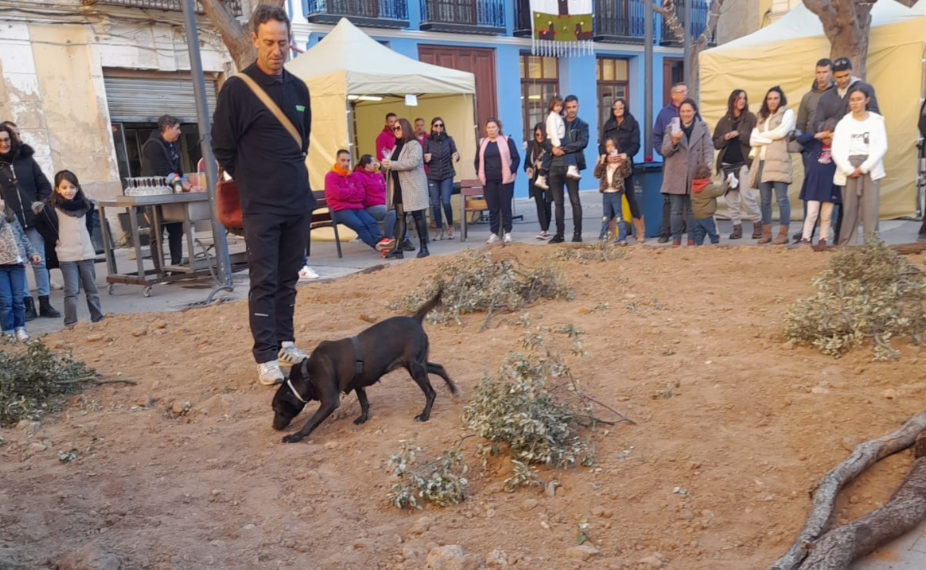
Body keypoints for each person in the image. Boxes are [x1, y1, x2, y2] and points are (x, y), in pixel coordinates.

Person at [211, 5, 315, 386]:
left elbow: (302, 140)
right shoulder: (237, 89)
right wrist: (253, 180)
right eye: (269, 42)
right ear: (254, 40)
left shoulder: (299, 89)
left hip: (297, 201)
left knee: (289, 277)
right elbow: (222, 146)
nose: (277, 50)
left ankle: (286, 343)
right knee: (264, 280)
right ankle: (266, 356)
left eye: (282, 43)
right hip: (261, 207)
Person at [0, 123, 60, 321]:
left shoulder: (27, 159)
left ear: (12, 139)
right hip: (10, 224)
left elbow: (44, 185)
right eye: (0, 141)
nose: (4, 144)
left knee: (39, 261)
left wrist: (41, 202)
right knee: (19, 264)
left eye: (6, 139)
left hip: (34, 220)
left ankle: (45, 302)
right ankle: (28, 305)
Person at [31, 170, 104, 328]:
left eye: (72, 187)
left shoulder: (86, 206)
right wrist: (53, 239)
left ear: (77, 188)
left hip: (86, 254)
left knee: (92, 290)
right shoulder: (51, 208)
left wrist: (87, 239)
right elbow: (38, 224)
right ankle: (71, 323)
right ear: (57, 189)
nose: (68, 191)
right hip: (66, 255)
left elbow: (89, 225)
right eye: (64, 187)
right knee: (71, 291)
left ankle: (98, 319)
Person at [832, 86, 887, 246]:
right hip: (849, 167)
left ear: (866, 100)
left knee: (870, 210)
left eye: (859, 99)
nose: (855, 103)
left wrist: (864, 167)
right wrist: (848, 169)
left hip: (870, 167)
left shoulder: (876, 121)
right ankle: (847, 246)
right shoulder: (844, 123)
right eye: (852, 100)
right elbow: (836, 149)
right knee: (849, 210)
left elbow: (881, 146)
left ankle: (872, 246)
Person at [140, 114, 196, 269]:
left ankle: (176, 267)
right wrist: (183, 184)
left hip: (172, 194)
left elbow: (177, 170)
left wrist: (186, 183)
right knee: (157, 234)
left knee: (176, 231)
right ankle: (160, 270)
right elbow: (162, 171)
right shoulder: (152, 146)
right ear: (167, 128)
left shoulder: (172, 146)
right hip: (155, 195)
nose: (180, 132)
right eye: (177, 128)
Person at [660, 98, 713, 247]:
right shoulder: (672, 128)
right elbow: (665, 151)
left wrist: (708, 162)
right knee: (676, 210)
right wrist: (675, 142)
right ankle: (676, 239)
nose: (686, 114)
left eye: (689, 111)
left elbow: (708, 148)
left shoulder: (702, 127)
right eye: (683, 111)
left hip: (695, 173)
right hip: (675, 174)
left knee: (692, 209)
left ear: (694, 111)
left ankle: (691, 239)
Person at [793, 58, 834, 243]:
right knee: (811, 191)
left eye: (825, 72)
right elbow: (800, 126)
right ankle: (806, 232)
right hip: (812, 149)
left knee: (831, 192)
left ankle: (830, 232)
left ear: (831, 73)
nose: (821, 76)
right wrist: (805, 147)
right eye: (818, 72)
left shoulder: (837, 96)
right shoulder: (808, 98)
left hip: (832, 150)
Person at [712, 89, 761, 240]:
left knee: (746, 195)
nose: (742, 101)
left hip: (743, 163)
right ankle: (736, 227)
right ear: (732, 100)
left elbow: (755, 138)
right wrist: (725, 138)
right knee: (731, 198)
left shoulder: (750, 118)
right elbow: (715, 143)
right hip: (726, 165)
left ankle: (757, 223)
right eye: (739, 98)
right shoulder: (724, 120)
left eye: (744, 98)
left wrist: (740, 135)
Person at [749, 86, 796, 245]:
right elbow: (752, 140)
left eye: (775, 98)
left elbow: (782, 133)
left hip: (779, 161)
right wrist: (770, 137)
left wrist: (762, 137)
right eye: (769, 98)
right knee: (765, 200)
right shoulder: (761, 116)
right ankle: (767, 233)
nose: (772, 101)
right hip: (762, 162)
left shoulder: (787, 113)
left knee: (782, 199)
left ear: (780, 99)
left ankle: (783, 233)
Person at [380, 118, 430, 259]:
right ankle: (398, 249)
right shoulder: (396, 146)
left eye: (398, 128)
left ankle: (424, 247)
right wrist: (382, 165)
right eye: (394, 128)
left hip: (413, 187)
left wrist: (392, 164)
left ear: (406, 129)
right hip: (399, 186)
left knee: (418, 216)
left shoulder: (414, 145)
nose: (395, 131)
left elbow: (412, 162)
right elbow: (393, 163)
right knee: (400, 217)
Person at [599, 98, 645, 243]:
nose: (618, 109)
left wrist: (626, 154)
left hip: (625, 165)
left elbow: (636, 145)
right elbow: (602, 145)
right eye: (615, 107)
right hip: (611, 168)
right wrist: (606, 157)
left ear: (625, 108)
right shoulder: (608, 125)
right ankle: (612, 232)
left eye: (621, 107)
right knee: (612, 198)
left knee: (631, 197)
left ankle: (640, 230)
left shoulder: (633, 123)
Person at [0, 194, 41, 342]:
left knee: (18, 299)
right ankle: (8, 331)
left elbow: (22, 236)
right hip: (1, 266)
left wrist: (32, 252)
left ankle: (20, 328)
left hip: (16, 264)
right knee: (6, 300)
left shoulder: (11, 215)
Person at [548, 95, 589, 243]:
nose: (571, 110)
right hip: (555, 166)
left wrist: (563, 149)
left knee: (574, 201)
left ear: (578, 107)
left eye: (574, 107)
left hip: (572, 166)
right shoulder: (557, 121)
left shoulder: (583, 125)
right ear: (564, 108)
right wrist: (552, 149)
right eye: (569, 107)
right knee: (558, 203)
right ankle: (559, 234)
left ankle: (577, 234)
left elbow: (582, 142)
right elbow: (547, 139)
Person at [325, 150, 384, 251]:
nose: (346, 163)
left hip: (357, 207)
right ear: (336, 160)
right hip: (340, 210)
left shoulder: (354, 175)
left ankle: (382, 243)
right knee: (360, 226)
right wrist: (353, 191)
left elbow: (361, 194)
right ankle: (378, 246)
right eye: (343, 160)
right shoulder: (330, 176)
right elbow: (337, 194)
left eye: (348, 160)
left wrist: (347, 194)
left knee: (372, 222)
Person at [474, 118, 520, 245]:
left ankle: (508, 232)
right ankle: (494, 232)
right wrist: (479, 173)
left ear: (498, 128)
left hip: (505, 180)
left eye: (493, 127)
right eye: (489, 127)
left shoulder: (507, 141)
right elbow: (477, 160)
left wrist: (511, 170)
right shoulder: (482, 143)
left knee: (505, 207)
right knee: (493, 208)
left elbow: (516, 158)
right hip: (489, 180)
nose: (491, 130)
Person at [653, 83, 688, 243]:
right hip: (670, 162)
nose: (685, 93)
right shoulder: (664, 114)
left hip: (687, 162)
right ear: (674, 95)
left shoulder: (691, 111)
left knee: (688, 198)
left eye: (686, 91)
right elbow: (656, 136)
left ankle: (687, 229)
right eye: (682, 91)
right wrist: (663, 151)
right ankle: (665, 231)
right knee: (669, 198)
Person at [794, 131, 840, 251]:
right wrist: (815, 135)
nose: (827, 139)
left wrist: (837, 137)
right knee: (811, 214)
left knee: (826, 215)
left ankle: (823, 239)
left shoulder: (839, 146)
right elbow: (800, 139)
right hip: (814, 185)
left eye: (829, 136)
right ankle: (805, 239)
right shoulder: (815, 145)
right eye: (824, 136)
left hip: (830, 185)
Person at [422, 116, 459, 241]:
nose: (438, 127)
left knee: (446, 202)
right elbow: (423, 159)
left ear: (443, 127)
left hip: (447, 174)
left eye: (441, 125)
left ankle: (450, 227)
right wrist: (426, 159)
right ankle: (438, 229)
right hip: (432, 176)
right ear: (432, 127)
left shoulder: (449, 139)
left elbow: (455, 153)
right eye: (436, 125)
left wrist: (456, 156)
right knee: (435, 204)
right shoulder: (428, 141)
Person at [535, 96, 579, 191]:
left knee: (547, 157)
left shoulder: (557, 116)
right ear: (552, 106)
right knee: (570, 146)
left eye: (560, 106)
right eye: (557, 106)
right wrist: (557, 144)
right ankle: (571, 166)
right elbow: (553, 131)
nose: (559, 108)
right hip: (557, 139)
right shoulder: (552, 117)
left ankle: (541, 176)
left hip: (556, 139)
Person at [353, 154, 397, 250]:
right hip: (370, 207)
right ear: (367, 165)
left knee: (398, 210)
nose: (376, 164)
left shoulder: (378, 174)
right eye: (374, 162)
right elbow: (361, 195)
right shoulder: (358, 176)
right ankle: (387, 239)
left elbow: (385, 189)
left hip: (384, 204)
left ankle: (403, 239)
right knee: (392, 211)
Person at [593, 138, 632, 245]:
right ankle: (603, 236)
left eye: (612, 145)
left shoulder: (621, 162)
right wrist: (601, 162)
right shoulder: (604, 162)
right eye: (608, 146)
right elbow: (596, 174)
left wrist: (624, 161)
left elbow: (626, 173)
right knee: (606, 216)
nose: (610, 148)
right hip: (606, 192)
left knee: (619, 215)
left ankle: (622, 238)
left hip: (616, 192)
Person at [691, 174, 736, 246]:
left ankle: (698, 247)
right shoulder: (708, 188)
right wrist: (726, 182)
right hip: (707, 215)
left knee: (699, 234)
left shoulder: (693, 188)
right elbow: (719, 191)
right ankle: (714, 247)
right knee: (712, 233)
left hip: (697, 216)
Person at [525, 123, 552, 240]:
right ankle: (544, 229)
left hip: (548, 178)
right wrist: (528, 169)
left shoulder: (550, 145)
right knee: (539, 204)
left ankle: (547, 228)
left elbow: (554, 161)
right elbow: (526, 162)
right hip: (535, 178)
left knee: (547, 203)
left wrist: (544, 166)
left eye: (542, 134)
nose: (539, 137)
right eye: (537, 134)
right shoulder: (531, 145)